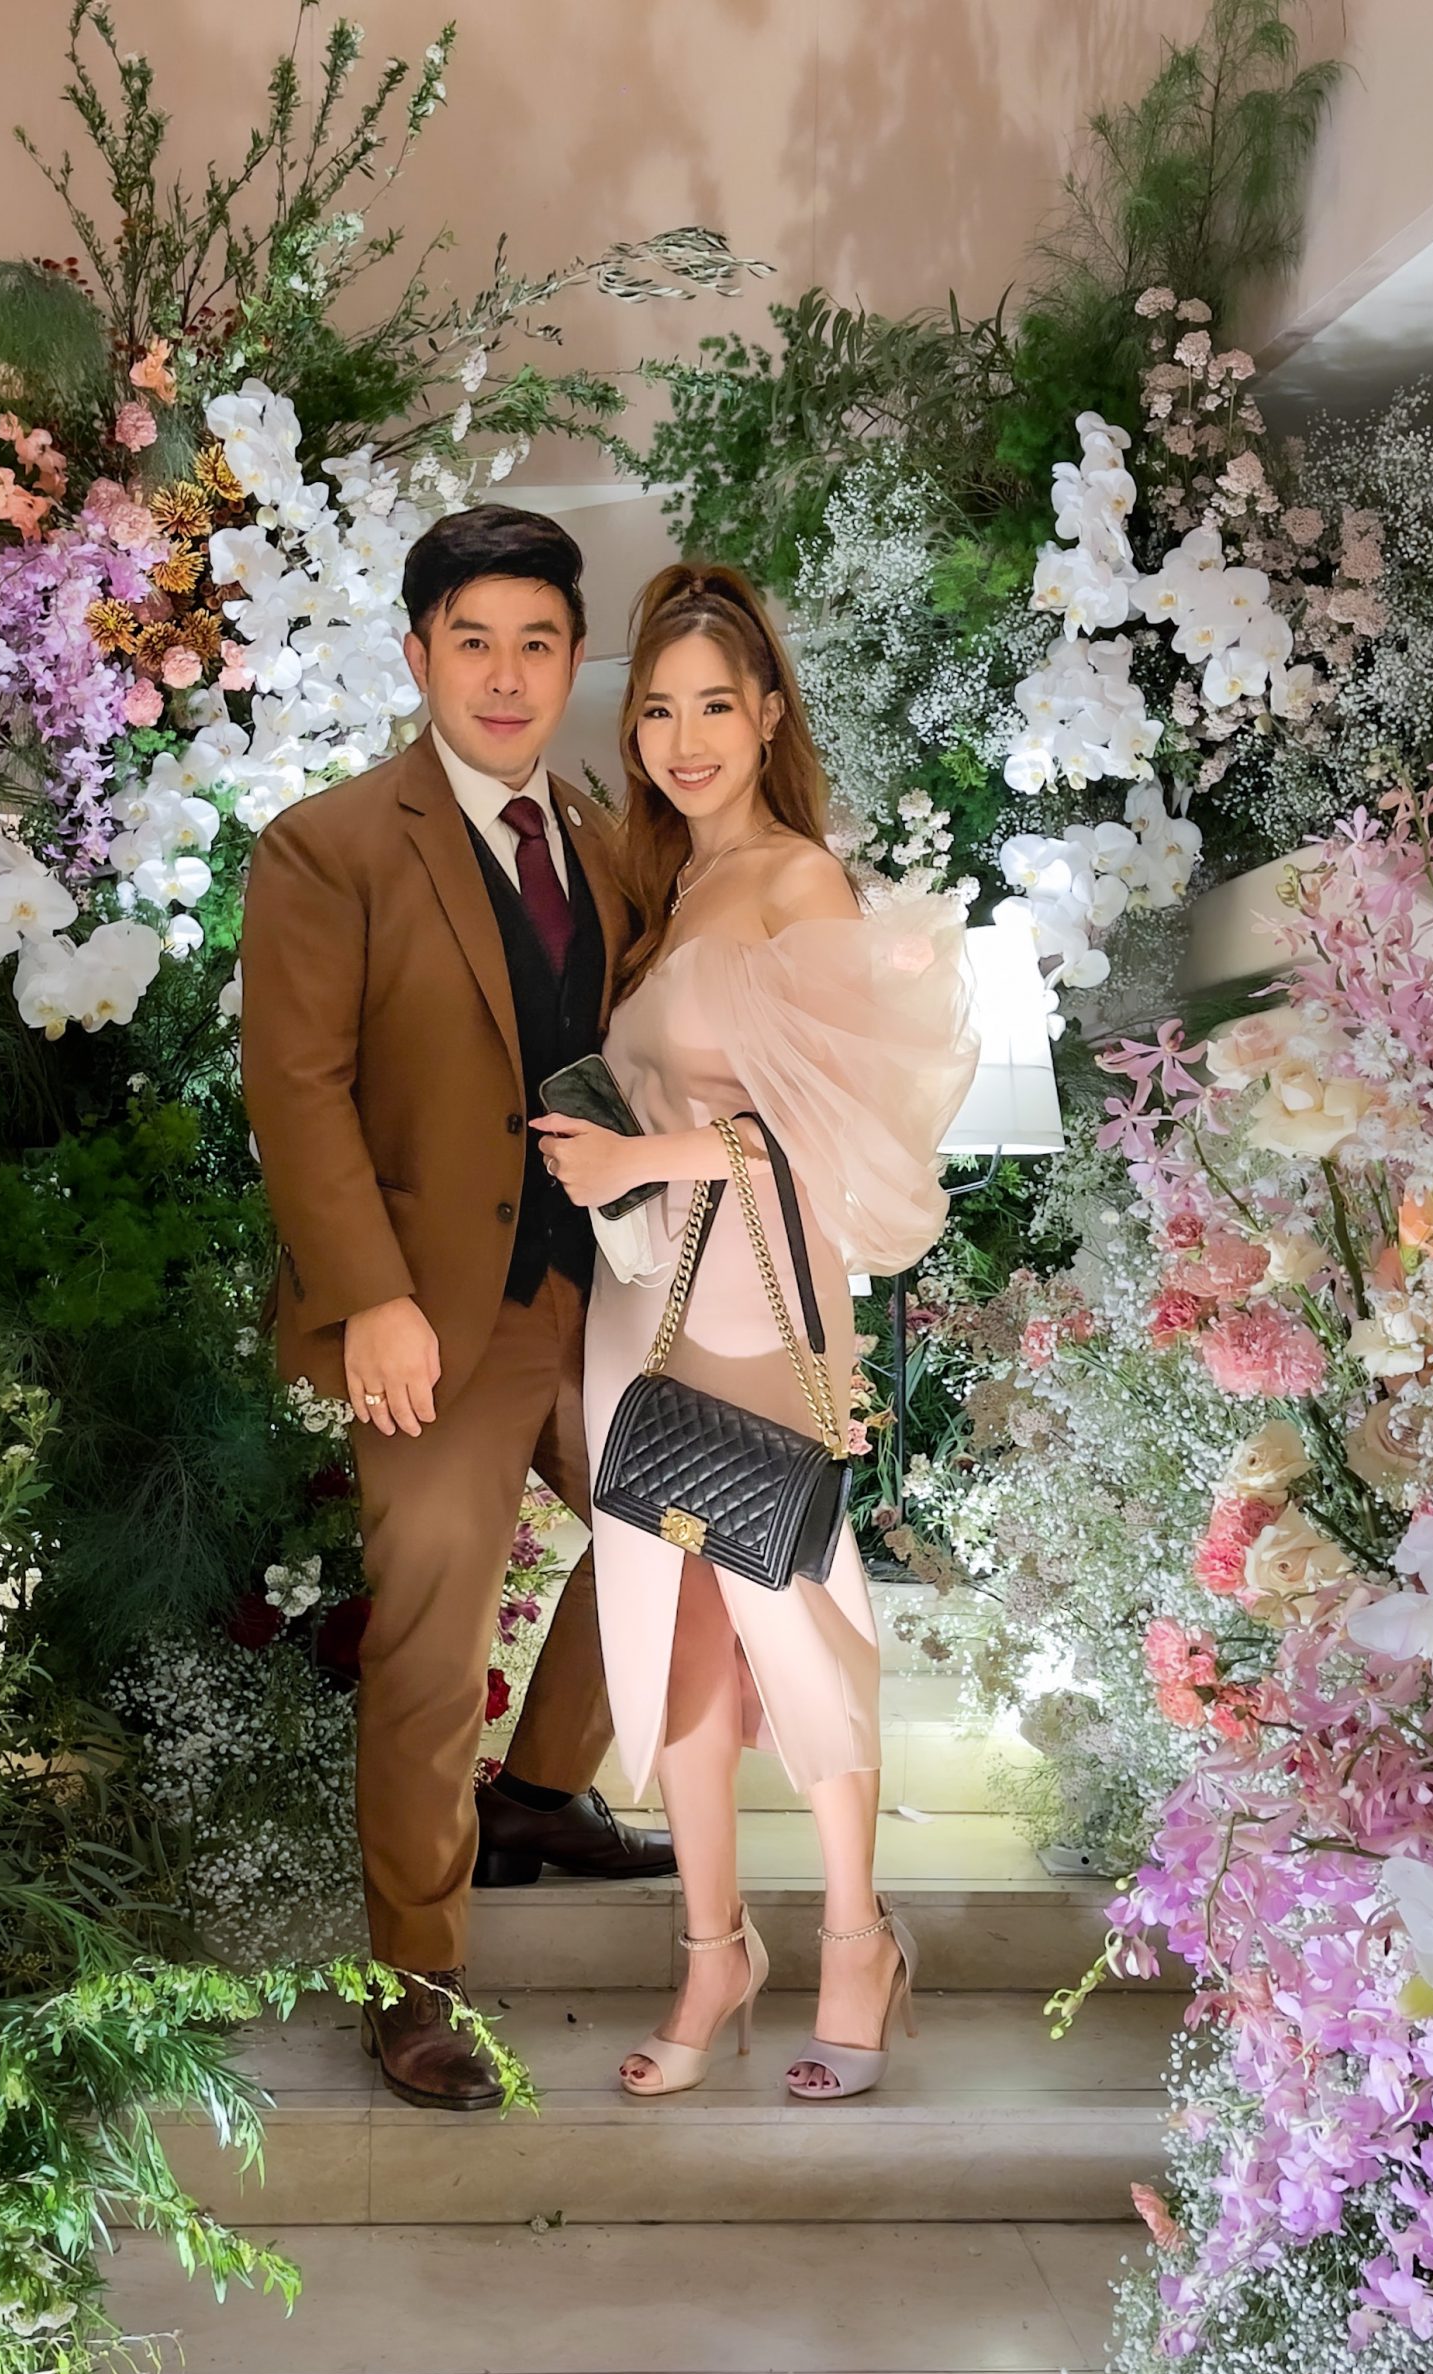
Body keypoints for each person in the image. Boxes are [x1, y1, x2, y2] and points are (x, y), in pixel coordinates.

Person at [240, 505, 675, 2114]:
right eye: (472, 642)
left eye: (535, 644)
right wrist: (369, 1298)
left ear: (575, 660)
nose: (504, 675)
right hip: (431, 1314)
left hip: (602, 1291)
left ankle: (539, 1794)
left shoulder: (613, 843)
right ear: (419, 654)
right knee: (431, 1638)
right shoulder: (329, 845)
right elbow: (297, 1089)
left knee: (689, 1529)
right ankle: (413, 1980)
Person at [532, 563, 978, 2099]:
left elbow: (840, 1133)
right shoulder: (663, 895)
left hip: (757, 1295)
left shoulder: (798, 883)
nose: (683, 739)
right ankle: (712, 1951)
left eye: (713, 705)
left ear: (769, 713)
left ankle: (853, 1942)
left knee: (787, 1611)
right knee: (666, 1627)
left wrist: (639, 1155)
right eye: (656, 712)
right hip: (642, 1299)